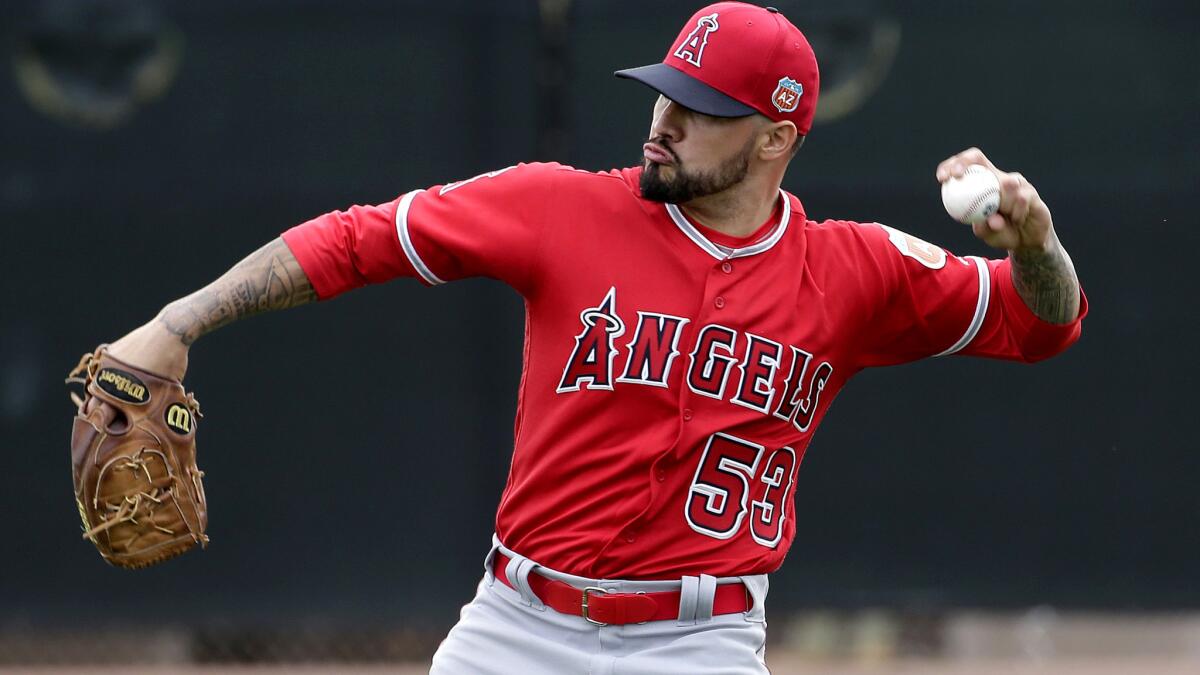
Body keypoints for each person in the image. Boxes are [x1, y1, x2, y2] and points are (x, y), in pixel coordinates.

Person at [104, 2, 1086, 672]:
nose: (662, 123)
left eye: (700, 112)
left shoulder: (856, 270)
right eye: (664, 93)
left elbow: (1043, 324)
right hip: (516, 626)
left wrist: (1037, 242)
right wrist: (178, 320)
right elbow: (359, 239)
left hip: (694, 645)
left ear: (776, 139)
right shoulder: (556, 208)